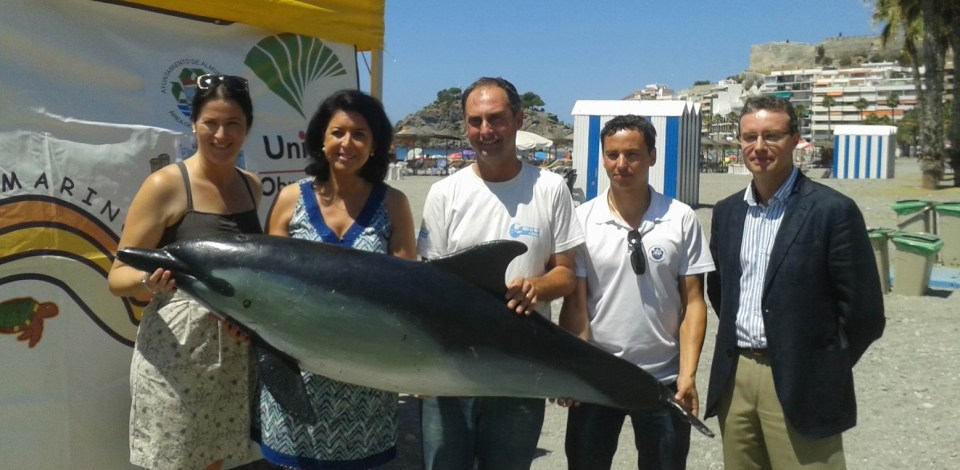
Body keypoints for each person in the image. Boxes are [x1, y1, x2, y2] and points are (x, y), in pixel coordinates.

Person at [705, 96, 885, 469]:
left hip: (803, 380)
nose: (758, 147)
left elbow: (865, 311)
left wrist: (822, 363)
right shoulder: (727, 213)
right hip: (736, 377)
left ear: (795, 139)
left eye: (771, 136)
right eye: (749, 137)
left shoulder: (832, 211)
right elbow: (721, 291)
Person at [417, 76, 584, 470]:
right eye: (475, 121)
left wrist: (538, 286)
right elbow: (426, 286)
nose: (485, 131)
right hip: (451, 371)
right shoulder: (445, 193)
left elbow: (567, 275)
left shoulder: (551, 188)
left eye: (496, 119)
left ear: (519, 119)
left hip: (520, 369)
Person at [107, 73, 260, 470]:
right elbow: (117, 276)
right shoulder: (165, 185)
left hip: (236, 362)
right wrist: (147, 281)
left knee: (229, 462)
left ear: (248, 128)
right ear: (193, 123)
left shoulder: (253, 187)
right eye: (211, 122)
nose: (221, 135)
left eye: (233, 124)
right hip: (175, 360)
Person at [257, 89, 416, 468]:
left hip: (366, 384)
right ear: (320, 140)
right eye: (338, 132)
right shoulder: (289, 199)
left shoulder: (393, 204)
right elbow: (267, 288)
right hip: (296, 377)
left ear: (376, 144)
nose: (348, 143)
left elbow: (407, 290)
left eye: (360, 134)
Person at [558, 114, 714, 470]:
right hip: (599, 378)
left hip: (662, 380)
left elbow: (693, 302)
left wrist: (687, 375)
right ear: (602, 157)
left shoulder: (680, 217)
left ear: (652, 156)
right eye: (612, 155)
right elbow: (577, 304)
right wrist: (575, 371)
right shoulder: (582, 219)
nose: (621, 164)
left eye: (632, 154)